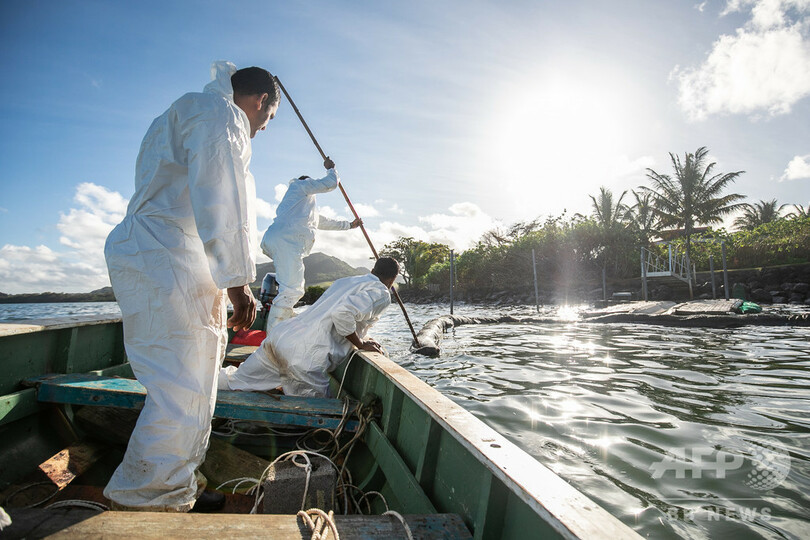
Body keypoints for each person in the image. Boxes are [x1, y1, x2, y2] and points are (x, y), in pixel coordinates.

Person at [103, 61, 279, 512]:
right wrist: (238, 282)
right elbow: (220, 197)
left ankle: (176, 484)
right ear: (261, 100)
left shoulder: (181, 112)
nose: (263, 128)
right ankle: (149, 500)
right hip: (168, 256)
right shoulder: (221, 115)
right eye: (268, 118)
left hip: (162, 254)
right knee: (183, 387)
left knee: (187, 380)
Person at [219, 257, 400, 398]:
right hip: (304, 355)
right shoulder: (382, 293)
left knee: (235, 381)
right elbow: (342, 314)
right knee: (319, 416)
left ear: (372, 270)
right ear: (392, 279)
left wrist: (361, 336)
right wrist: (360, 344)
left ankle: (204, 382)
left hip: (281, 337)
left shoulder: (347, 281)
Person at [261, 159, 361, 330]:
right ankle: (274, 335)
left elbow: (324, 222)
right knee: (292, 290)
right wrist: (331, 169)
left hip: (280, 242)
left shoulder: (303, 209)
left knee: (291, 287)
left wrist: (349, 225)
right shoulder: (300, 185)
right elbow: (330, 184)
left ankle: (280, 325)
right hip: (286, 242)